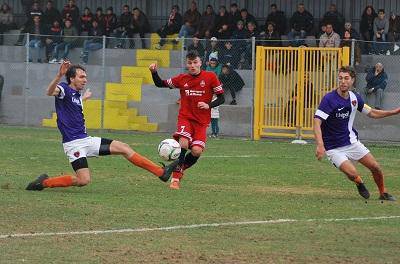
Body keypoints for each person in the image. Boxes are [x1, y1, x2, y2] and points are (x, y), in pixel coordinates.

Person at [26, 62, 177, 191]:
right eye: (81, 77)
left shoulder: (77, 94)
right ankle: (44, 183)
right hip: (74, 144)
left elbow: (74, 106)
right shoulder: (64, 89)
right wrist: (59, 75)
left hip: (86, 140)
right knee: (83, 180)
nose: (85, 80)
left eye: (85, 77)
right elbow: (49, 91)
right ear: (72, 78)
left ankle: (161, 173)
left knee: (124, 147)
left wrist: (83, 98)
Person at [314, 66, 397, 201]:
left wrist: (393, 112)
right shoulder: (329, 99)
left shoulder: (354, 98)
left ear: (352, 80)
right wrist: (320, 144)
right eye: (340, 78)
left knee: (376, 167)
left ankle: (383, 193)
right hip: (333, 147)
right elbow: (317, 121)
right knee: (352, 173)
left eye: (346, 78)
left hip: (352, 142)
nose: (343, 81)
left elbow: (372, 112)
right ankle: (359, 181)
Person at [148, 51, 225, 190]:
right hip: (186, 118)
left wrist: (209, 105)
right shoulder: (182, 79)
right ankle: (175, 179)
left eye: (195, 62)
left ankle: (179, 168)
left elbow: (221, 97)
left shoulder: (210, 77)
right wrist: (154, 72)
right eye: (190, 63)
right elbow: (160, 84)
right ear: (187, 64)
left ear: (201, 62)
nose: (193, 65)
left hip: (201, 122)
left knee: (196, 151)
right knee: (183, 143)